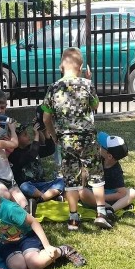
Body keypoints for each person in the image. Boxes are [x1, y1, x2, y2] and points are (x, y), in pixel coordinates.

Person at [41, 47, 111, 231]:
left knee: (70, 178)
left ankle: (73, 218)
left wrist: (54, 136)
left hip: (66, 139)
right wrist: (89, 80)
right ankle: (101, 213)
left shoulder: (54, 88)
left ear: (60, 66)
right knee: (96, 174)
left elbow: (46, 118)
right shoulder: (87, 85)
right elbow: (95, 106)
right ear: (81, 67)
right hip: (87, 138)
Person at [0, 171, 86, 269]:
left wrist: (47, 246)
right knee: (19, 268)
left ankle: (63, 249)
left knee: (34, 264)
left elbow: (33, 222)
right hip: (7, 244)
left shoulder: (10, 209)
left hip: (27, 238)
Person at [8, 120, 64, 214]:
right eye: (25, 135)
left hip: (42, 184)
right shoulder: (14, 154)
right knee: (24, 186)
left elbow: (50, 149)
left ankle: (41, 199)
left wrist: (44, 131)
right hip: (28, 186)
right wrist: (36, 135)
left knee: (63, 180)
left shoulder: (31, 147)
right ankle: (50, 197)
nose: (29, 136)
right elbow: (32, 154)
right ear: (16, 138)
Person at [80, 132, 135, 221]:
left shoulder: (116, 170)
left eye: (101, 146)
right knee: (82, 191)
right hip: (93, 193)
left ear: (109, 156)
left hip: (107, 195)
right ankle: (108, 208)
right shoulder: (95, 159)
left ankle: (109, 210)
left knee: (132, 193)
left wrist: (102, 198)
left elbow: (121, 193)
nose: (98, 146)